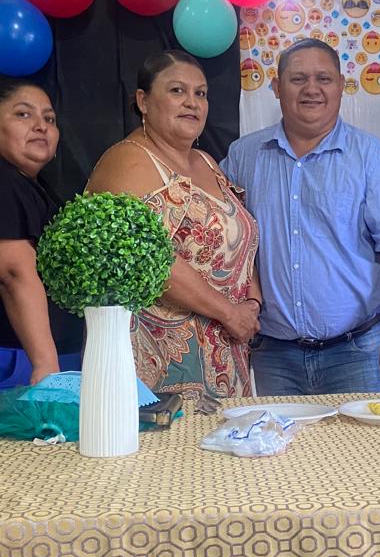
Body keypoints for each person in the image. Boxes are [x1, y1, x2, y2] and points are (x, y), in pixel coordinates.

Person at [222, 38, 380, 395]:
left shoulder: (373, 158)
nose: (311, 89)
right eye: (298, 79)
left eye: (323, 79)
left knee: (366, 437)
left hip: (359, 352)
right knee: (279, 436)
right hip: (274, 356)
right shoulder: (243, 156)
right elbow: (223, 239)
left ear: (341, 86)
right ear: (276, 88)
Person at [86, 51, 260, 411]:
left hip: (228, 354)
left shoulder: (206, 161)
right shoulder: (128, 161)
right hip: (163, 365)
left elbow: (242, 237)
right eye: (177, 90)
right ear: (143, 101)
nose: (192, 102)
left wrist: (252, 303)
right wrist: (229, 313)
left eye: (201, 93)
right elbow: (147, 258)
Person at [0, 82, 83, 395]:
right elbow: (13, 275)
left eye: (49, 119)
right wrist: (46, 365)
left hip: (45, 358)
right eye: (23, 115)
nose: (41, 126)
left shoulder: (30, 184)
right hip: (12, 363)